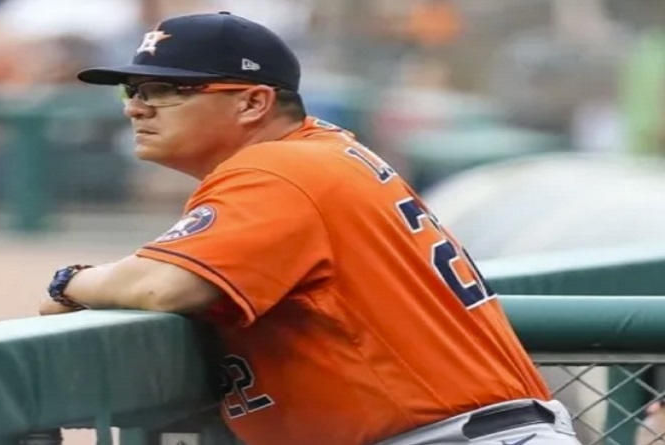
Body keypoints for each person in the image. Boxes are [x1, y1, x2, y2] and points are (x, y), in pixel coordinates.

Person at [39, 11, 583, 445]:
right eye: (132, 91)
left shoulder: (279, 169)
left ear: (253, 102)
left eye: (164, 90)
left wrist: (70, 282)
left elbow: (166, 286)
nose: (136, 109)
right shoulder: (320, 153)